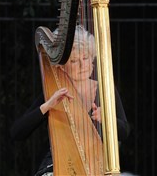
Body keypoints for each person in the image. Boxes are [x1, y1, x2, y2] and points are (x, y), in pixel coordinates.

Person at [10, 25, 130, 176]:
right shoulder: (55, 92)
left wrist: (106, 119)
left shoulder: (104, 89)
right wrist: (47, 105)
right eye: (74, 61)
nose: (82, 65)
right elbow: (17, 133)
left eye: (85, 58)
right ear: (61, 67)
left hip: (97, 166)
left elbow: (124, 132)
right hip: (57, 166)